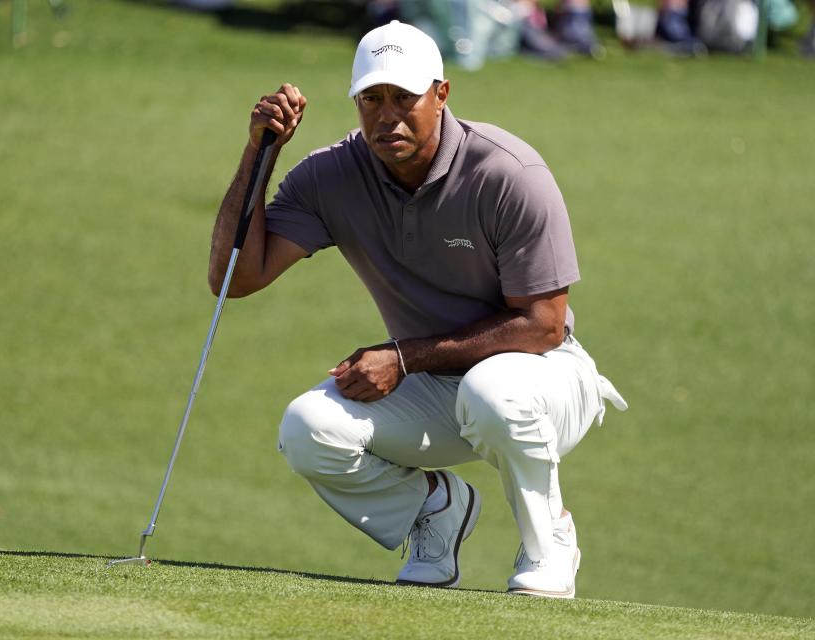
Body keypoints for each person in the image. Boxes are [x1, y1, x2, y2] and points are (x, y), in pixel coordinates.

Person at [208, 20, 627, 597]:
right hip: (434, 384)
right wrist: (260, 154)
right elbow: (236, 276)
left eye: (405, 98)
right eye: (372, 99)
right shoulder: (333, 177)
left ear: (442, 94)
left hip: (545, 377)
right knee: (308, 428)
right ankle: (434, 509)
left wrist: (403, 358)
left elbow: (544, 326)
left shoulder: (508, 173)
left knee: (494, 391)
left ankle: (547, 539)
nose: (387, 116)